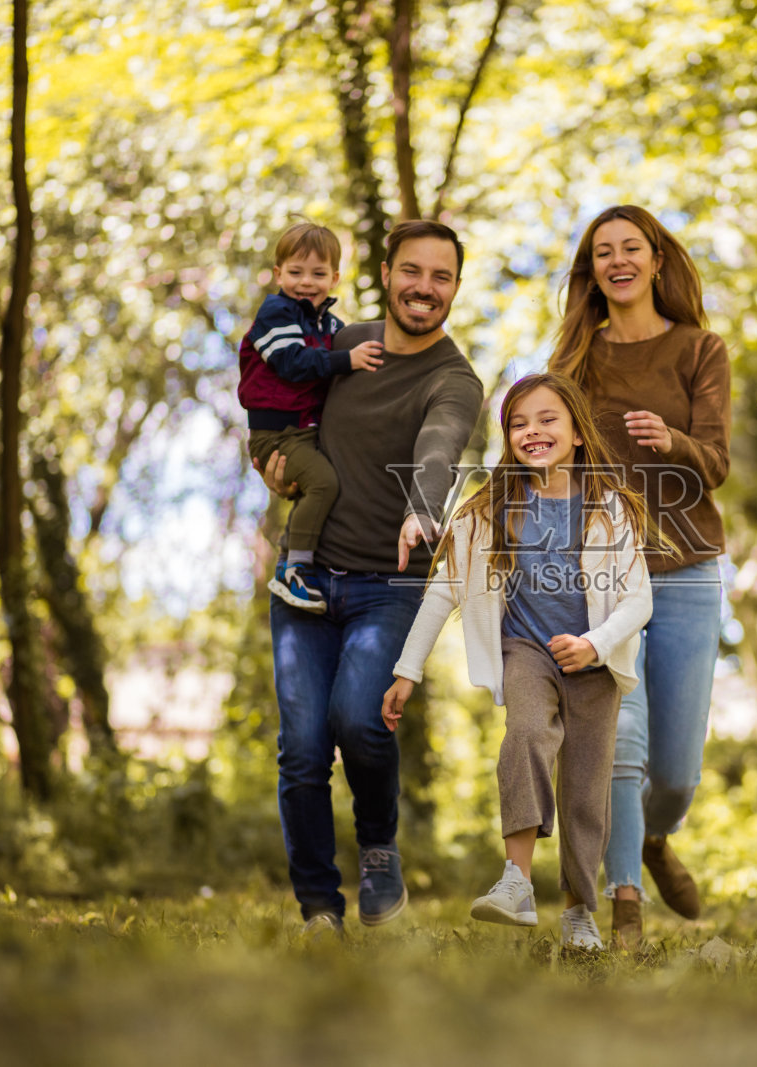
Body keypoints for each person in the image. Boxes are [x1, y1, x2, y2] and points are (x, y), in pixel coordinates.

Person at [380, 373, 672, 951]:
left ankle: (580, 911)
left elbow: (639, 598)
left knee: (587, 792)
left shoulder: (608, 508)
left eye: (547, 419)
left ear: (578, 434)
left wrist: (595, 643)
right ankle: (515, 880)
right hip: (526, 653)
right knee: (527, 733)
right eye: (519, 422)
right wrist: (407, 671)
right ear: (506, 437)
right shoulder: (490, 508)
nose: (532, 431)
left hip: (595, 665)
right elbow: (444, 589)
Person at [257, 220, 484, 936]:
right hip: (308, 578)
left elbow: (440, 444)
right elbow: (276, 405)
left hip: (392, 585)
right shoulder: (341, 348)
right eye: (411, 270)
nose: (424, 287)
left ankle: (378, 844)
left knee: (359, 719)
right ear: (386, 273)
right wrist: (267, 462)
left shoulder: (455, 378)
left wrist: (424, 507)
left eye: (440, 276)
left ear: (453, 287)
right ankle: (319, 907)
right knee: (300, 751)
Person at [549, 205, 731, 951]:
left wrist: (674, 439)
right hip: (606, 574)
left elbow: (716, 462)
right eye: (602, 252)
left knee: (677, 769)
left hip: (688, 568)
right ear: (591, 271)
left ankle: (656, 840)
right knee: (620, 741)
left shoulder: (700, 349)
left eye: (631, 248)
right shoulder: (575, 363)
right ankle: (627, 906)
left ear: (658, 259)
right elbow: (543, 455)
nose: (617, 261)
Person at [238, 220, 386, 612]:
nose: (307, 282)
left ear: (335, 278)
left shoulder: (331, 325)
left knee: (342, 477)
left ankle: (334, 564)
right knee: (322, 482)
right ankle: (293, 568)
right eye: (295, 272)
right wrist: (346, 360)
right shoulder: (276, 312)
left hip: (307, 430)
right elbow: (290, 363)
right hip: (278, 434)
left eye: (318, 273)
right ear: (278, 274)